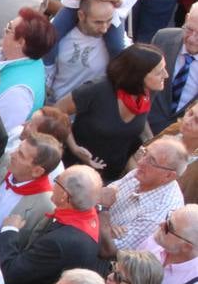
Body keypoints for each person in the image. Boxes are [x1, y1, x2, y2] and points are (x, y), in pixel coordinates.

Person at [0, 166, 108, 284]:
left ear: (65, 196)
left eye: (56, 182)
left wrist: (9, 230)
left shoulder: (60, 242)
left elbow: (10, 271)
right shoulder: (86, 218)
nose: (51, 185)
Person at [60, 45, 169, 183]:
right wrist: (74, 147)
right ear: (139, 75)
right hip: (74, 172)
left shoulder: (147, 93)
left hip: (113, 177)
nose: (166, 75)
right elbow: (57, 111)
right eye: (159, 72)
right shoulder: (97, 89)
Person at [99, 141, 186, 254]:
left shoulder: (159, 213)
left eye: (151, 161)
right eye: (145, 153)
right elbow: (102, 195)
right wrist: (106, 226)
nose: (140, 162)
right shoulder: (142, 174)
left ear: (168, 175)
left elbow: (108, 251)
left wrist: (102, 211)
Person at [0, 9, 55, 137]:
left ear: (21, 42)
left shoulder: (19, 93)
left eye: (9, 28)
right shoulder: (29, 58)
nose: (4, 30)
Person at [0, 130, 60, 238]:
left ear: (37, 171)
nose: (12, 154)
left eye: (21, 155)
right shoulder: (6, 161)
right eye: (18, 148)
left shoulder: (46, 206)